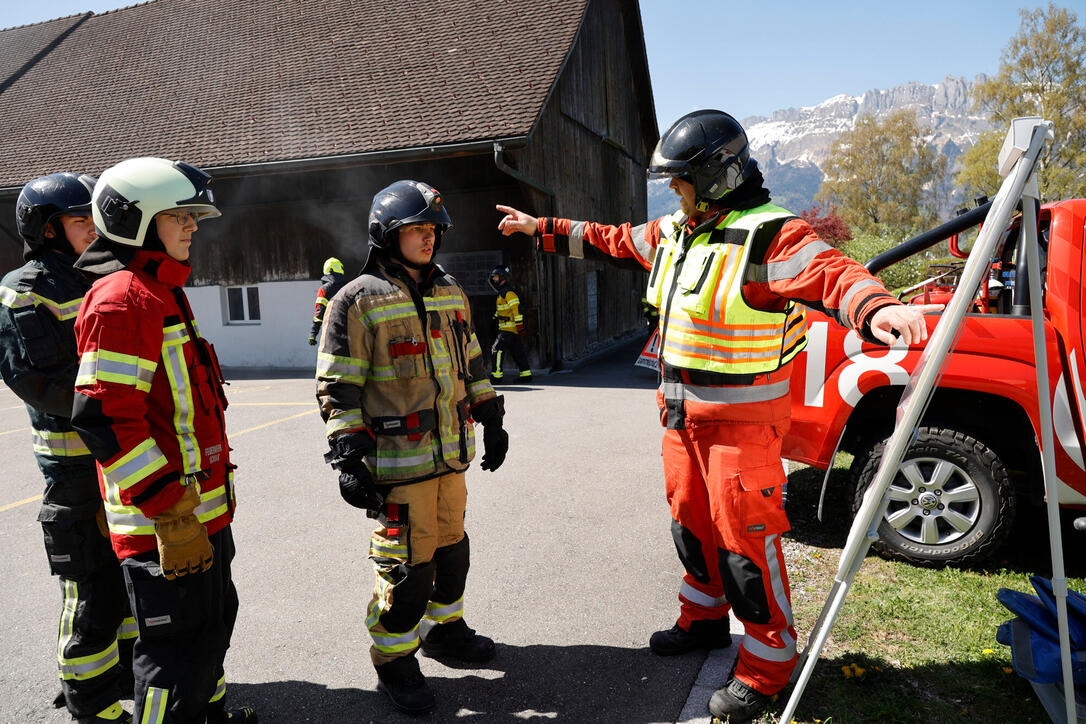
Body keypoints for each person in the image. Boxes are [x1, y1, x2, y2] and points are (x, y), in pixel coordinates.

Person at [497, 109, 942, 723]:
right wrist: (540, 227)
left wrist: (875, 308)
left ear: (715, 177)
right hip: (682, 421)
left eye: (680, 182)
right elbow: (612, 239)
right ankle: (703, 620)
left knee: (745, 547)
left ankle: (767, 664)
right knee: (691, 526)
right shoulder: (680, 231)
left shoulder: (769, 236)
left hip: (742, 429)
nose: (672, 194)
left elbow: (833, 272)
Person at [71, 157, 256, 724]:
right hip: (165, 522)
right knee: (172, 656)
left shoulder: (159, 290)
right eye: (181, 215)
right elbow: (104, 417)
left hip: (198, 513)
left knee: (211, 628)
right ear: (138, 221)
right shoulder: (122, 299)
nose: (194, 226)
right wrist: (168, 508)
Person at [316, 180, 509, 715]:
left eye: (432, 230)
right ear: (386, 235)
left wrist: (491, 416)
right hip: (398, 465)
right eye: (416, 230)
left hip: (451, 457)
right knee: (406, 568)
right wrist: (348, 457)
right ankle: (394, 661)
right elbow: (339, 386)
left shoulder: (450, 291)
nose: (428, 240)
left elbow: (472, 362)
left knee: (452, 551)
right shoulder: (354, 300)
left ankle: (445, 632)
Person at [0, 173, 136, 723]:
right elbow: (38, 379)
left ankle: (122, 670)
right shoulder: (25, 288)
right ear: (47, 229)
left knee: (130, 573)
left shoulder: (106, 275)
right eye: (80, 220)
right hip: (75, 462)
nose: (92, 229)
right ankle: (88, 694)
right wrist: (115, 409)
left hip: (121, 455)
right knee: (89, 582)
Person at [487, 264, 532, 383]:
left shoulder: (508, 293)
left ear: (502, 277)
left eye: (495, 277)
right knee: (518, 353)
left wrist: (520, 326)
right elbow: (502, 310)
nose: (493, 279)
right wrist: (494, 318)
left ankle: (496, 377)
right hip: (511, 331)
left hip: (508, 331)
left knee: (496, 350)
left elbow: (516, 311)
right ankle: (526, 375)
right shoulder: (502, 293)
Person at [308, 256, 347, 345]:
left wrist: (313, 333)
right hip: (349, 330)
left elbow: (319, 312)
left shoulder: (324, 289)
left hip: (331, 331)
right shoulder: (349, 287)